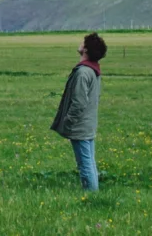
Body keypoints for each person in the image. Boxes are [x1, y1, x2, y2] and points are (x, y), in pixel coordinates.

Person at [50, 32, 107, 191]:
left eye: (83, 42)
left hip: (80, 125)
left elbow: (79, 102)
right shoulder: (92, 70)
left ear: (86, 49)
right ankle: (93, 194)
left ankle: (91, 196)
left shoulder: (83, 72)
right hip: (88, 123)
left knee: (85, 164)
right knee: (89, 161)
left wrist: (68, 122)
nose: (80, 43)